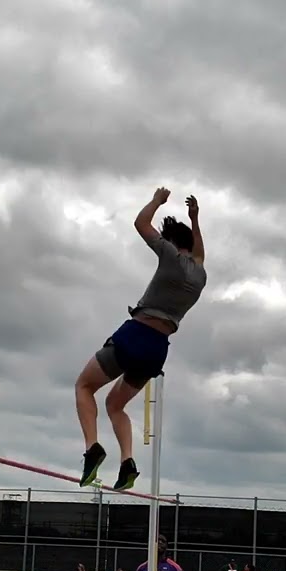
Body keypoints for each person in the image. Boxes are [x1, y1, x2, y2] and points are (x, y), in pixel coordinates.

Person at [76, 187, 207, 491]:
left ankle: (92, 448)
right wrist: (195, 219)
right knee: (115, 405)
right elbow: (200, 252)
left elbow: (140, 224)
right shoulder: (200, 276)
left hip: (136, 335)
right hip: (157, 351)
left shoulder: (170, 255)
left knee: (84, 386)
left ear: (173, 243)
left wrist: (157, 201)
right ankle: (127, 463)